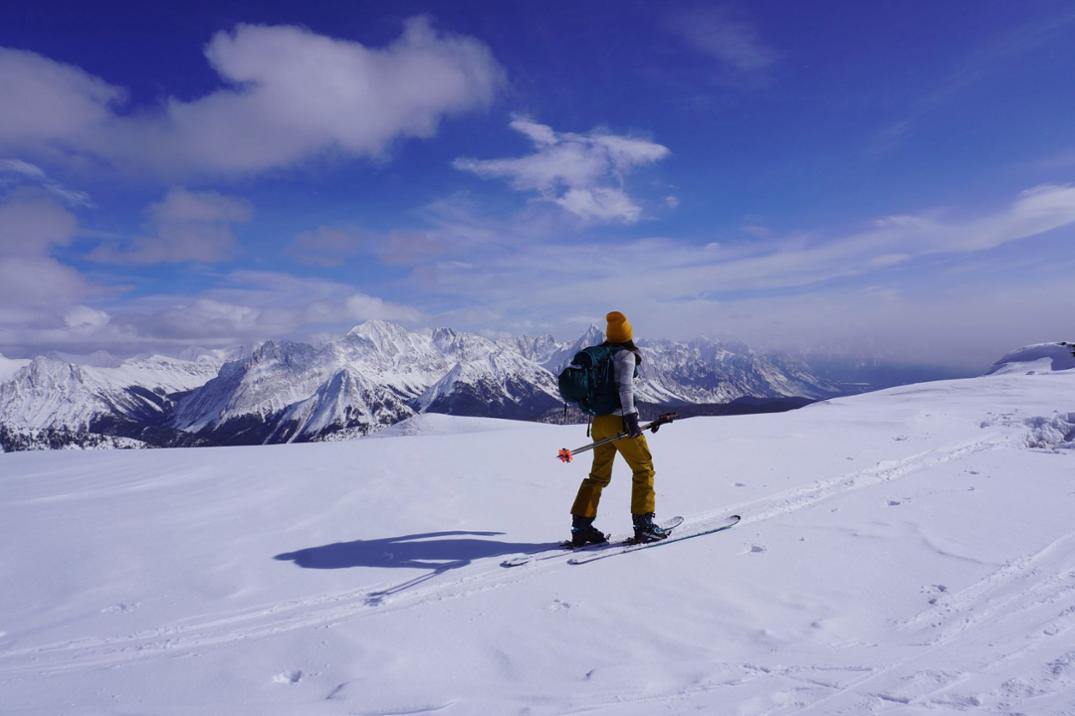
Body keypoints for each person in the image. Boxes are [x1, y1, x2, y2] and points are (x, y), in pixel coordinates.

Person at [569, 311, 669, 546]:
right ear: (628, 335)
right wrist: (631, 418)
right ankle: (644, 526)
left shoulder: (601, 354)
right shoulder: (625, 355)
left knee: (598, 475)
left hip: (599, 423)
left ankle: (580, 527)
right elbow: (625, 388)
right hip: (618, 422)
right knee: (644, 468)